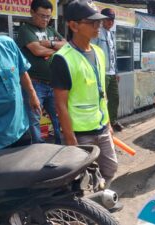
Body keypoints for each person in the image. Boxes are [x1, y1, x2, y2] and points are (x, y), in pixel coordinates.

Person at [51, 0, 119, 191]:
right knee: (82, 179)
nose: (98, 26)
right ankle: (85, 213)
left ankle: (100, 201)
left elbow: (101, 92)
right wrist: (70, 138)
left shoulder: (98, 52)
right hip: (80, 133)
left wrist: (108, 124)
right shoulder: (62, 59)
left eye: (99, 22)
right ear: (73, 25)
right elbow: (60, 105)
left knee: (110, 167)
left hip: (101, 126)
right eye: (92, 22)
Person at [0, 17, 41, 151]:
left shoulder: (8, 44)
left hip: (20, 128)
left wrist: (32, 94)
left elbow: (22, 70)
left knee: (26, 167)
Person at [17, 0, 66, 144]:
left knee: (59, 117)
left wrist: (50, 44)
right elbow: (37, 51)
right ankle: (38, 151)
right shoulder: (26, 30)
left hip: (54, 84)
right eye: (42, 15)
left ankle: (61, 145)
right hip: (34, 84)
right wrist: (56, 49)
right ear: (32, 12)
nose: (45, 19)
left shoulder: (51, 30)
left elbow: (67, 46)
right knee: (34, 119)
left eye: (48, 16)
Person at [92, 8, 123, 132]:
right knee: (101, 99)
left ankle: (113, 121)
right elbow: (93, 51)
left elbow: (113, 54)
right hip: (102, 73)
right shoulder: (97, 33)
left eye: (112, 20)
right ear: (102, 20)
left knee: (114, 98)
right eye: (108, 19)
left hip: (111, 72)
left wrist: (116, 71)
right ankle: (103, 123)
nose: (111, 22)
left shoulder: (111, 34)